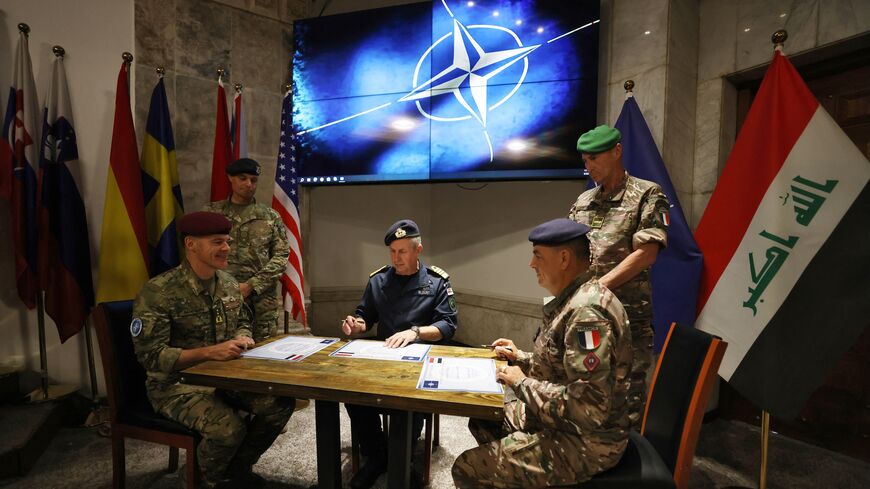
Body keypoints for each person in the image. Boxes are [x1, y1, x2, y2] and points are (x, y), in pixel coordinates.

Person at [452, 218, 632, 488]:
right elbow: (562, 366)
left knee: (467, 467)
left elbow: (588, 408)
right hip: (565, 423)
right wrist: (520, 358)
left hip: (588, 441)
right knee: (484, 416)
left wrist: (521, 382)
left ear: (563, 258)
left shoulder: (587, 314)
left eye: (538, 256)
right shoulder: (576, 298)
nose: (531, 264)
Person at [132, 211, 295, 489]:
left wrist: (243, 336)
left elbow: (243, 320)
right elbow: (151, 356)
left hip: (225, 377)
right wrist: (210, 352)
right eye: (217, 242)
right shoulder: (159, 292)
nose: (227, 248)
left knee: (279, 405)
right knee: (228, 429)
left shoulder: (228, 283)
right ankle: (197, 481)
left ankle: (234, 471)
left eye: (227, 241)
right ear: (191, 244)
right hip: (175, 386)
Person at [340, 219, 458, 489]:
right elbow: (365, 316)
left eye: (402, 251)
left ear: (418, 250)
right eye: (392, 251)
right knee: (353, 395)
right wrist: (356, 325)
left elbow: (448, 325)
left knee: (410, 402)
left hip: (420, 361)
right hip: (384, 357)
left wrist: (415, 332)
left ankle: (402, 458)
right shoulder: (378, 280)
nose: (396, 258)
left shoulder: (437, 282)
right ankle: (378, 455)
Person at [568, 124, 669, 429]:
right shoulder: (583, 202)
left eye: (595, 158)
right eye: (585, 160)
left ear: (617, 151)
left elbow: (647, 253)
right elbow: (568, 255)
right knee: (586, 394)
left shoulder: (647, 194)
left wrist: (597, 288)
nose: (589, 166)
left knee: (627, 403)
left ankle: (631, 457)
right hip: (587, 319)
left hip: (627, 320)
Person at [204, 157, 290, 342]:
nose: (249, 184)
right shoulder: (212, 214)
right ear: (230, 178)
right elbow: (200, 253)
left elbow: (281, 256)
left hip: (261, 301)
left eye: (253, 180)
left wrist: (251, 286)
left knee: (263, 350)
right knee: (222, 348)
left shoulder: (270, 216)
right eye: (242, 178)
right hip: (220, 296)